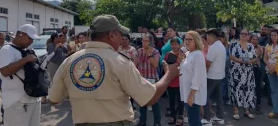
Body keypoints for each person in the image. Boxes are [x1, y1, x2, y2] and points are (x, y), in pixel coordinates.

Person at [48, 14, 179, 125]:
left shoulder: (69, 61)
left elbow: (54, 99)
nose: (121, 39)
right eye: (120, 34)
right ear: (111, 35)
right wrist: (169, 75)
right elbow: (149, 98)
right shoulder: (119, 61)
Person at [0, 24, 41, 126]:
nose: (31, 41)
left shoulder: (28, 50)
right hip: (17, 101)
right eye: (29, 38)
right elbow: (5, 71)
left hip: (33, 98)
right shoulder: (7, 50)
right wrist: (25, 60)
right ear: (21, 34)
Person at [180, 31, 207, 126]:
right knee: (192, 119)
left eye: (190, 39)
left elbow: (197, 77)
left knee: (194, 120)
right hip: (187, 91)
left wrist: (191, 95)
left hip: (194, 94)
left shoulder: (198, 55)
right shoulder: (188, 53)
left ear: (196, 41)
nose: (187, 41)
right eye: (186, 39)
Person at [229, 29, 257, 120]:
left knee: (248, 91)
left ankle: (246, 111)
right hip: (237, 71)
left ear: (249, 36)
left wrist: (249, 61)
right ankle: (236, 111)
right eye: (242, 33)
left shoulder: (251, 46)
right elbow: (231, 56)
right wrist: (241, 61)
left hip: (248, 72)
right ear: (239, 35)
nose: (244, 35)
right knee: (236, 90)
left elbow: (255, 58)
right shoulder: (233, 44)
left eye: (246, 34)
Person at [135, 34, 162, 126]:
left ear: (150, 42)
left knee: (154, 102)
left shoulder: (155, 52)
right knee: (142, 102)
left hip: (152, 80)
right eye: (143, 41)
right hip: (141, 79)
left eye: (146, 41)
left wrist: (150, 56)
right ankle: (142, 122)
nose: (144, 43)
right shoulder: (138, 51)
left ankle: (157, 122)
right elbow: (135, 65)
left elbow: (155, 65)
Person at [202, 29, 226, 125]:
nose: (207, 39)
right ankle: (220, 116)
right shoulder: (221, 46)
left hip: (212, 76)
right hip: (220, 75)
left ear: (211, 36)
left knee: (205, 96)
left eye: (207, 37)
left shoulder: (213, 47)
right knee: (218, 97)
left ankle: (207, 119)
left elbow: (208, 63)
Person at [263, 29, 278, 121]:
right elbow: (265, 58)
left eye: (275, 35)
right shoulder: (268, 46)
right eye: (272, 35)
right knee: (273, 90)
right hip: (270, 71)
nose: (273, 37)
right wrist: (270, 66)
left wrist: (276, 67)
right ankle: (275, 110)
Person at [164, 37, 185, 126]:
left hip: (180, 81)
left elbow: (183, 67)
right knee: (171, 100)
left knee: (180, 100)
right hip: (170, 81)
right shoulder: (168, 54)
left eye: (176, 44)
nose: (174, 46)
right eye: (172, 44)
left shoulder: (183, 54)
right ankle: (173, 116)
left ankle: (180, 116)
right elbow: (165, 66)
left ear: (180, 45)